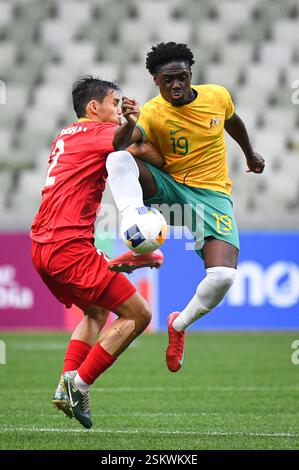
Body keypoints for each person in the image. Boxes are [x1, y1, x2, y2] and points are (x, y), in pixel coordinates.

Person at [107, 42, 265, 373]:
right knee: (119, 158)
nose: (176, 85)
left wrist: (250, 154)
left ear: (191, 73)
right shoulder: (151, 111)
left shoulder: (217, 96)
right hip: (171, 187)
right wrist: (128, 120)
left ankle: (179, 325)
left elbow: (233, 123)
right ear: (155, 81)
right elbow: (120, 143)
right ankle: (134, 228)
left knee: (222, 277)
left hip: (212, 197)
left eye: (182, 77)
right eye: (168, 81)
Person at [30, 76, 163, 428]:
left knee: (96, 310)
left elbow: (124, 146)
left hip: (44, 246)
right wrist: (135, 122)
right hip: (68, 246)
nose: (119, 111)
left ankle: (66, 383)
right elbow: (132, 143)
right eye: (115, 104)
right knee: (139, 314)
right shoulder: (95, 133)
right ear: (94, 108)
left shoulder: (66, 135)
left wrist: (120, 261)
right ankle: (78, 385)